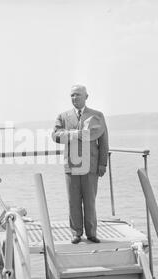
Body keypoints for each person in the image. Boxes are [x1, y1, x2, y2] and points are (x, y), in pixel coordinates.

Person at [52, 84, 109, 244]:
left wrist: (102, 164)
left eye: (77, 95)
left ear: (86, 97)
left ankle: (91, 233)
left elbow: (103, 141)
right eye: (72, 95)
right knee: (73, 200)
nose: (74, 98)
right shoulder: (63, 116)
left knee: (90, 201)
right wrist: (74, 134)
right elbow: (55, 136)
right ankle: (76, 233)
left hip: (91, 165)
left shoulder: (97, 116)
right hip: (71, 165)